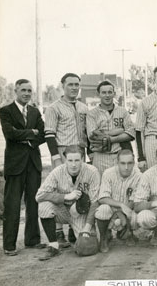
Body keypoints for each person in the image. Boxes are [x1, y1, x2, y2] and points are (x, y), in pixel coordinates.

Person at [0, 79, 46, 256]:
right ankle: (9, 245)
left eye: (29, 91)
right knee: (12, 204)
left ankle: (32, 240)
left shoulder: (34, 111)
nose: (27, 93)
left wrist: (27, 137)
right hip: (15, 164)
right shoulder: (6, 111)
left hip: (33, 162)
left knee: (34, 202)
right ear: (15, 90)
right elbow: (9, 134)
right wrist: (30, 133)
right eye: (23, 90)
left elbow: (42, 134)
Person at [44, 72, 89, 245]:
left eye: (77, 84)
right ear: (62, 85)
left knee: (78, 189)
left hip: (79, 152)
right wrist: (55, 156)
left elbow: (87, 134)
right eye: (70, 84)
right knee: (61, 191)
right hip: (63, 151)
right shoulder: (54, 107)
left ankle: (73, 228)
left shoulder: (83, 107)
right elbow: (49, 134)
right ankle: (58, 232)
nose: (74, 88)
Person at [36, 145, 100, 260]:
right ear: (65, 159)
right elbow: (39, 196)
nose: (73, 164)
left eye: (77, 160)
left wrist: (87, 226)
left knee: (86, 248)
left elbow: (95, 202)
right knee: (44, 207)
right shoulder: (57, 171)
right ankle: (54, 246)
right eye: (70, 160)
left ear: (82, 159)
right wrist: (65, 196)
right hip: (63, 211)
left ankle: (76, 235)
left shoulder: (92, 171)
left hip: (81, 214)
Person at [95, 149, 141, 252]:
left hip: (128, 208)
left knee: (136, 216)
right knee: (102, 210)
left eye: (129, 163)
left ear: (134, 163)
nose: (126, 167)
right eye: (123, 163)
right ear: (117, 162)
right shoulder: (108, 173)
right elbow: (102, 198)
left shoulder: (138, 175)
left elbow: (135, 200)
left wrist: (121, 213)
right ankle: (104, 237)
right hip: (112, 207)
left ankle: (129, 233)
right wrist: (120, 205)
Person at [87, 80, 135, 175]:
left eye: (110, 92)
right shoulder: (92, 113)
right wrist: (120, 130)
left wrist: (110, 137)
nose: (107, 95)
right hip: (100, 156)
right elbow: (94, 136)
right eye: (104, 92)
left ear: (114, 93)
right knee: (101, 186)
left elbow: (131, 133)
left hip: (119, 154)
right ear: (98, 94)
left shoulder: (123, 111)